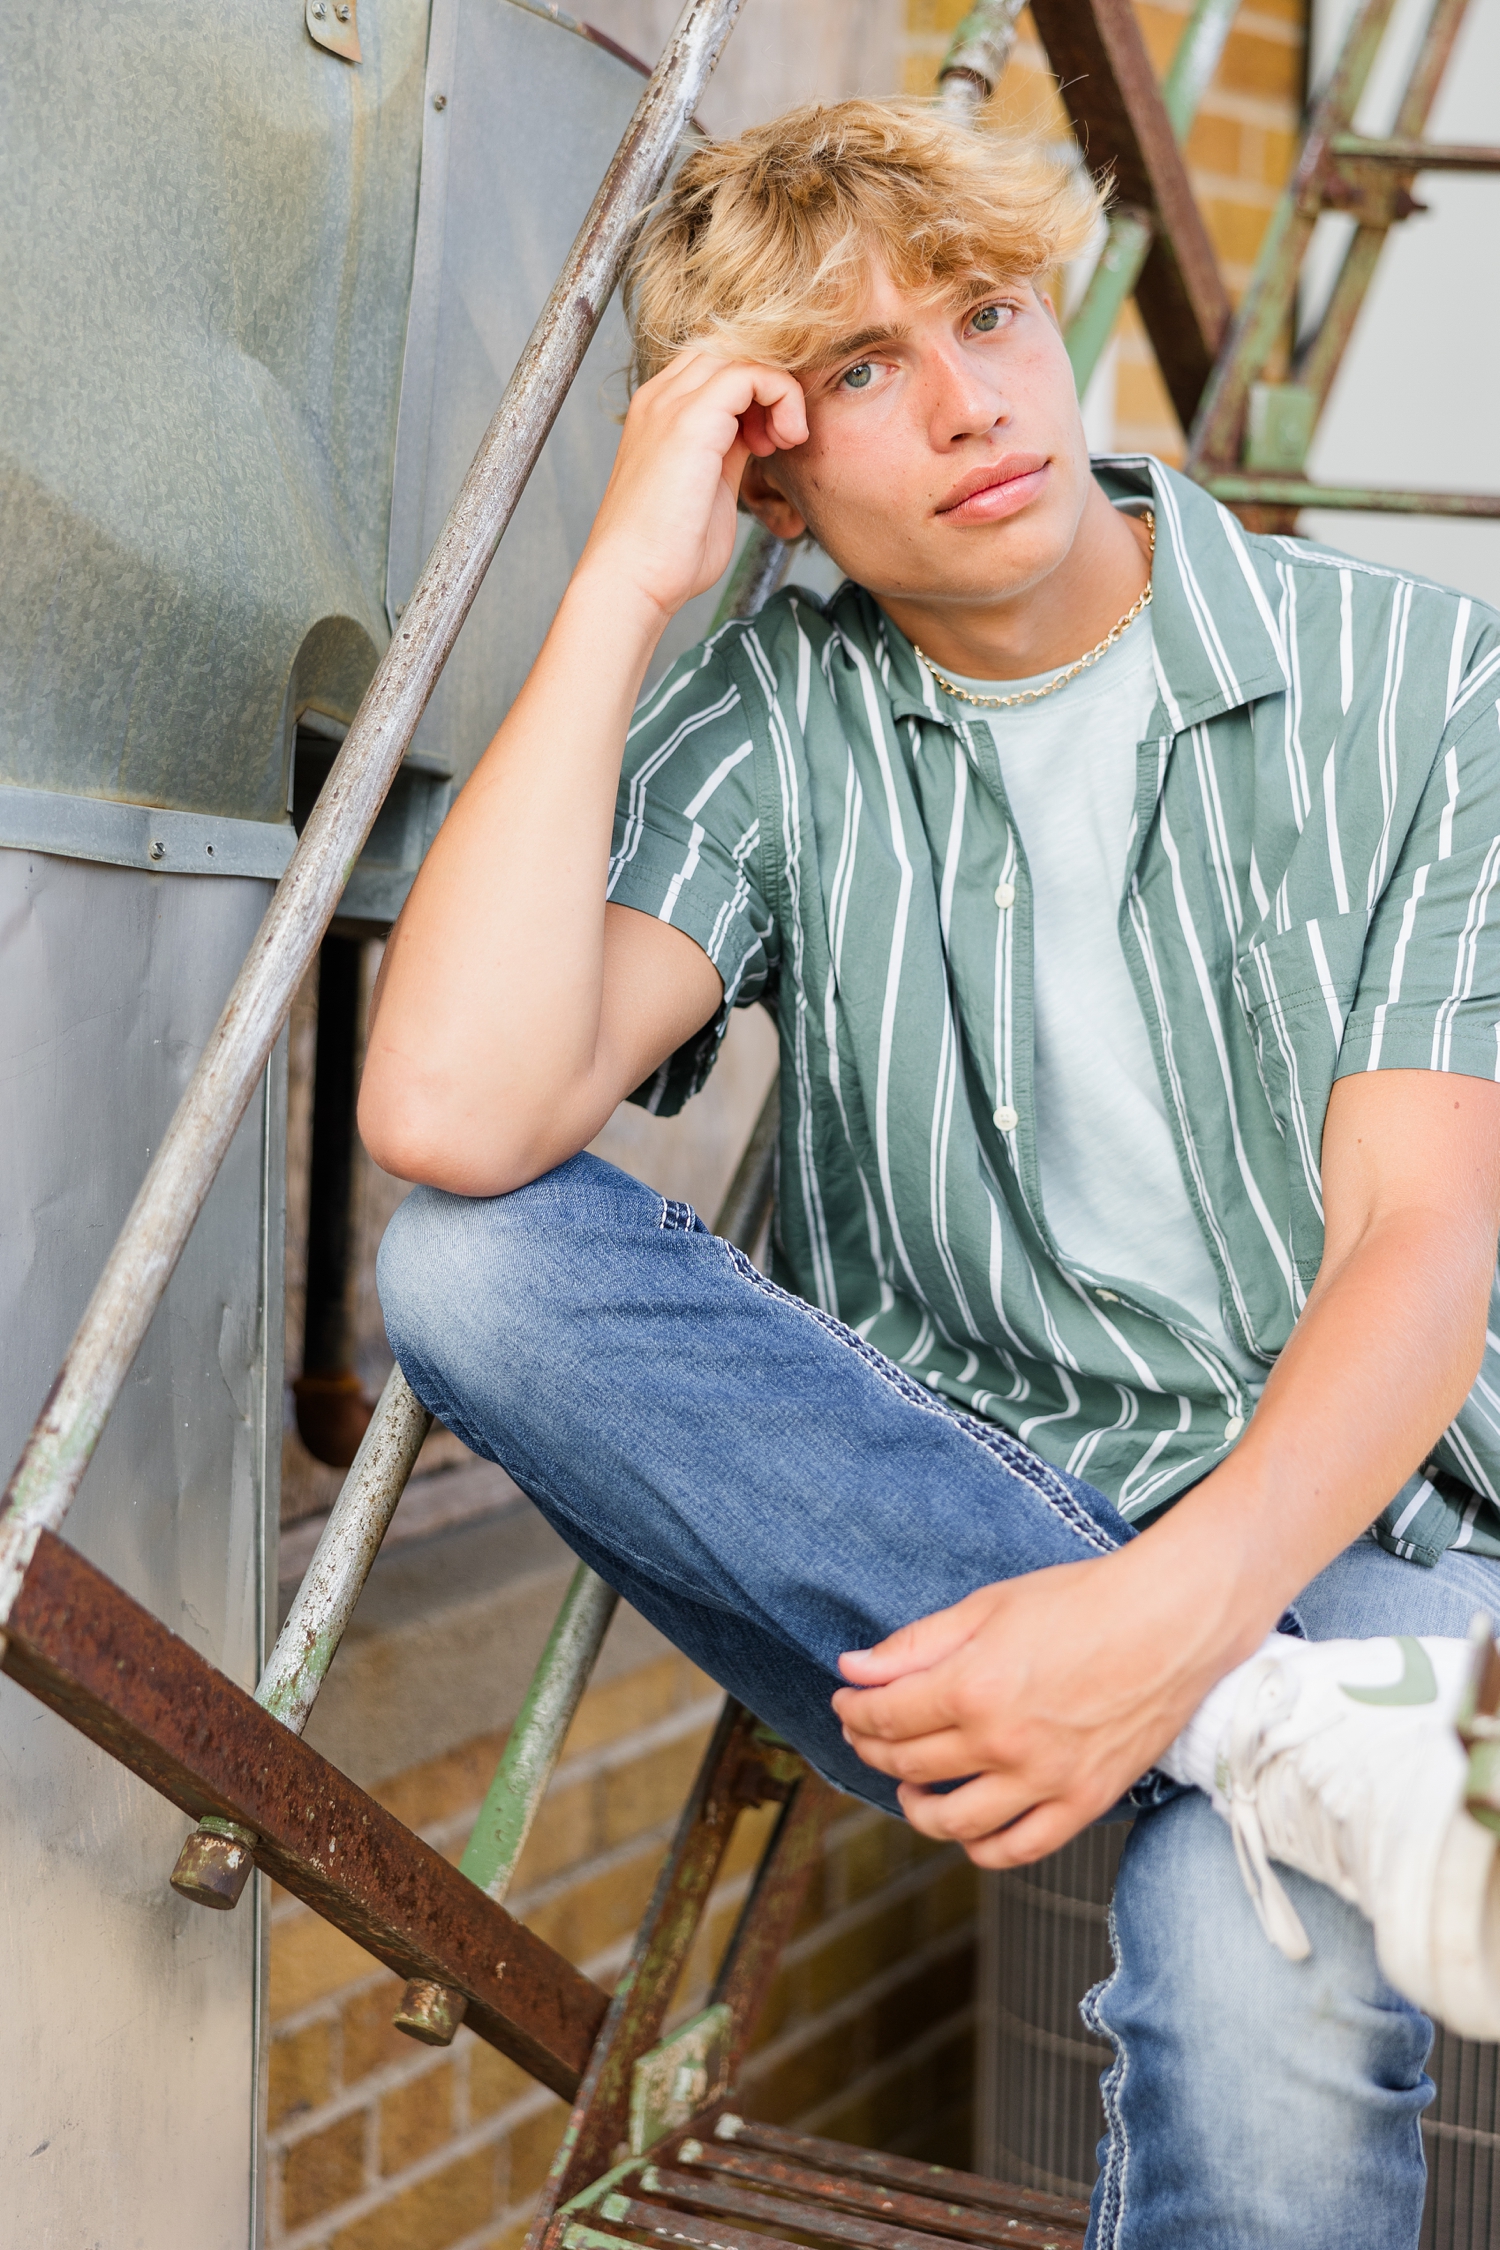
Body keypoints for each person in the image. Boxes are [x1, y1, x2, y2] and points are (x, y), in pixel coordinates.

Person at [360, 101, 1500, 2245]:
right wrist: (620, 582)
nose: (971, 401)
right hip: (958, 1533)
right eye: (863, 369)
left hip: (1372, 1510)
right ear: (771, 466)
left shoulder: (1429, 686)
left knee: (1258, 1972)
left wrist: (1173, 1621)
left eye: (986, 315)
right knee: (470, 1272)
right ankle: (1293, 1738)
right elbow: (448, 1110)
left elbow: (1421, 1237)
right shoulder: (775, 713)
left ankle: (1264, 1722)